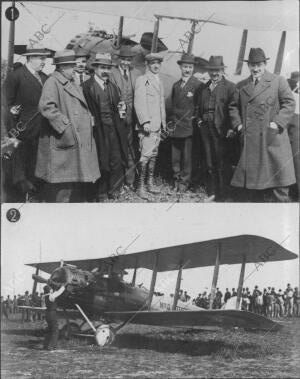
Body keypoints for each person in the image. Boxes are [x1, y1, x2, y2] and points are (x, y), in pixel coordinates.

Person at [231, 48, 296, 202]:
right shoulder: (241, 85)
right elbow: (232, 107)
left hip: (273, 138)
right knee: (255, 185)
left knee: (279, 178)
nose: (256, 69)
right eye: (252, 65)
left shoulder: (278, 81)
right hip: (251, 140)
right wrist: (238, 125)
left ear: (265, 64)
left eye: (259, 65)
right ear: (248, 66)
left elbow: (289, 103)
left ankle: (282, 217)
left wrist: (277, 123)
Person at [36, 50, 100, 202]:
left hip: (74, 139)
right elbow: (47, 107)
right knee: (62, 183)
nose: (75, 68)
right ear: (62, 67)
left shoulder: (71, 82)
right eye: (72, 66)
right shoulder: (53, 82)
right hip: (64, 138)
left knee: (72, 181)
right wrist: (66, 128)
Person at [3, 43, 50, 202]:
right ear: (30, 58)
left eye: (45, 58)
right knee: (20, 171)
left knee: (37, 168)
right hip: (21, 133)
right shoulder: (15, 76)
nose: (44, 61)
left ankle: (34, 199)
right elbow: (4, 103)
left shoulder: (45, 77)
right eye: (41, 58)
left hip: (42, 133)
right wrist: (11, 112)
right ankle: (19, 202)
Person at [82, 53, 128, 200]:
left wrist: (122, 108)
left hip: (113, 129)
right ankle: (99, 192)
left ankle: (114, 190)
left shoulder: (113, 87)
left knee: (115, 159)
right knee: (100, 161)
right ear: (95, 68)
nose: (106, 71)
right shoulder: (86, 87)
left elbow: (119, 106)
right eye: (102, 67)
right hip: (96, 132)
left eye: (108, 68)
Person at [195, 56, 240, 201]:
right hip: (206, 129)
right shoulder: (203, 87)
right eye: (212, 71)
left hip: (222, 130)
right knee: (209, 162)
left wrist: (231, 128)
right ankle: (213, 192)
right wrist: (199, 120)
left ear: (222, 70)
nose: (214, 74)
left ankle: (224, 194)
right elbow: (197, 107)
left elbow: (234, 109)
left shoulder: (230, 87)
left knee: (222, 163)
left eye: (217, 70)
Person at [134, 53, 166, 199]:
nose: (156, 66)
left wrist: (163, 124)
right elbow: (139, 102)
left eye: (158, 63)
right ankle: (140, 187)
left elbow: (160, 104)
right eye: (153, 63)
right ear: (147, 64)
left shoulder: (159, 80)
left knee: (153, 155)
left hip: (157, 125)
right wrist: (144, 121)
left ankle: (150, 183)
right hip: (148, 126)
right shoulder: (142, 79)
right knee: (145, 156)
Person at [169, 53, 202, 192]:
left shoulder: (198, 85)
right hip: (176, 126)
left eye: (190, 67)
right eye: (185, 67)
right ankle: (176, 178)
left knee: (187, 157)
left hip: (188, 127)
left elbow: (199, 107)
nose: (187, 69)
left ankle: (184, 182)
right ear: (180, 67)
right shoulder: (176, 85)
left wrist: (194, 119)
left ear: (193, 68)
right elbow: (172, 106)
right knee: (175, 156)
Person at [110, 46, 141, 188]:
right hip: (117, 119)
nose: (126, 63)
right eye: (124, 59)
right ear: (119, 59)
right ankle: (118, 182)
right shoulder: (112, 73)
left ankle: (130, 180)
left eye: (129, 60)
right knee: (117, 149)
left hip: (133, 119)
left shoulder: (137, 73)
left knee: (131, 149)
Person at [43, 284, 65, 351]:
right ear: (49, 290)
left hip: (47, 314)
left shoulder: (46, 296)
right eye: (50, 288)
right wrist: (63, 286)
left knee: (50, 330)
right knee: (55, 330)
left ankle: (46, 345)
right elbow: (58, 293)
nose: (51, 289)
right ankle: (51, 346)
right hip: (52, 313)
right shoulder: (51, 296)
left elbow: (55, 292)